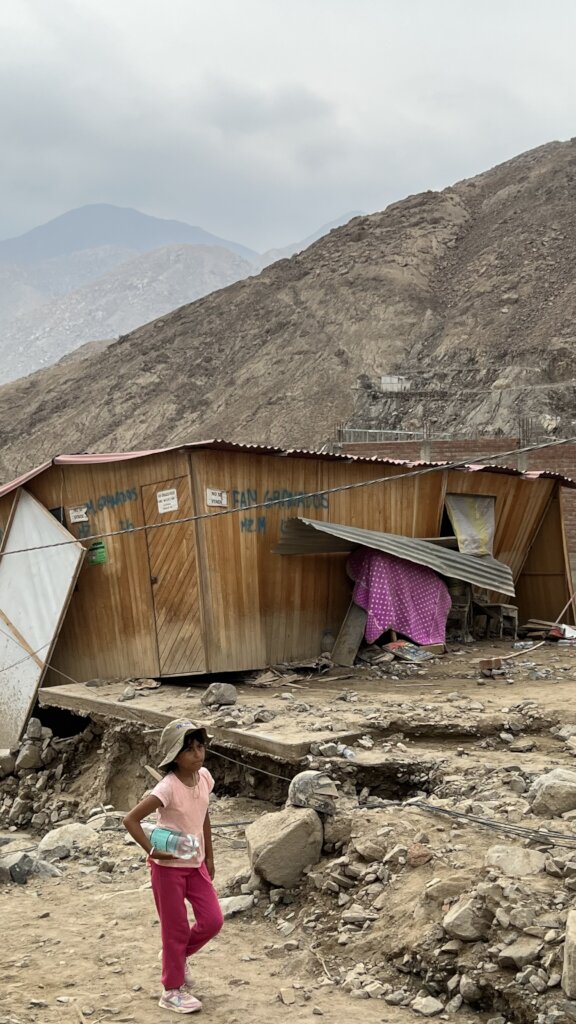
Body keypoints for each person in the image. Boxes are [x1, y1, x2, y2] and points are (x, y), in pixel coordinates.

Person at [123, 718, 223, 1014]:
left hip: (195, 863)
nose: (198, 754)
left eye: (200, 746)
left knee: (213, 920)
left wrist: (210, 856)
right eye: (190, 749)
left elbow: (203, 814)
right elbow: (130, 820)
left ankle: (175, 958)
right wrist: (152, 849)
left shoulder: (204, 777)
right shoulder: (166, 788)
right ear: (175, 756)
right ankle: (171, 991)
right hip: (167, 868)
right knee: (175, 928)